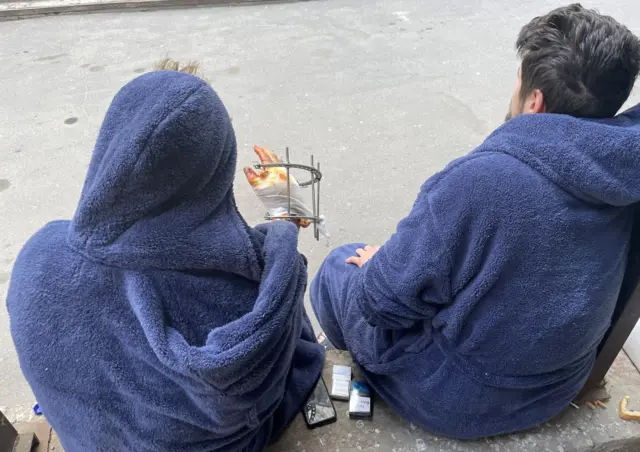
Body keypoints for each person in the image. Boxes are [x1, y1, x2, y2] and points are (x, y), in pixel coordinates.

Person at [310, 4, 640, 439]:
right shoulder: (624, 164)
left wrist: (379, 266)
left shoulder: (479, 181)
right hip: (559, 383)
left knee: (339, 266)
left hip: (459, 398)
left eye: (518, 80)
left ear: (535, 102)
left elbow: (380, 304)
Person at [7, 60, 324, 451]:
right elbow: (272, 352)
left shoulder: (35, 260)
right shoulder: (244, 295)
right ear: (215, 167)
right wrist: (285, 221)